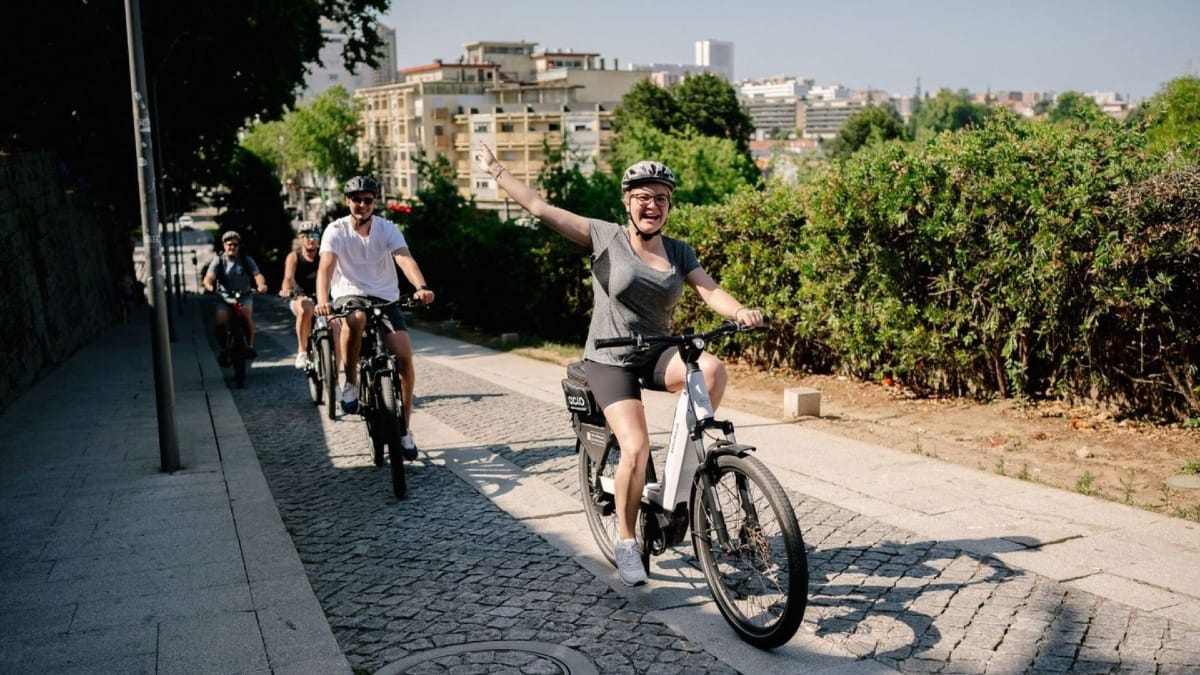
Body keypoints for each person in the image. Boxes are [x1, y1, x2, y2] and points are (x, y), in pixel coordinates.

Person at [475, 142, 765, 587]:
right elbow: (538, 207)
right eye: (643, 197)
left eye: (661, 199)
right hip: (610, 358)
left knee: (712, 369)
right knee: (635, 447)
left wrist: (740, 311)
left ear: (669, 206)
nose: (652, 205)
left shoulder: (678, 251)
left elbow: (709, 290)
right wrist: (496, 170)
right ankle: (628, 542)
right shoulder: (605, 237)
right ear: (628, 202)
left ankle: (685, 479)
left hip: (656, 351)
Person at [315, 176, 435, 459]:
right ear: (347, 202)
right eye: (356, 199)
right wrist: (322, 301)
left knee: (404, 357)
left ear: (375, 203)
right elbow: (325, 268)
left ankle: (404, 430)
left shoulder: (387, 229)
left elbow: (404, 258)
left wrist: (421, 287)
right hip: (350, 293)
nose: (362, 205)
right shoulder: (336, 230)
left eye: (367, 200)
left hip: (385, 298)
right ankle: (351, 383)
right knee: (355, 318)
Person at [203, 230, 268, 364]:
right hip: (225, 297)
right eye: (229, 244)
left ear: (239, 246)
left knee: (246, 315)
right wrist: (208, 284)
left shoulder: (245, 259)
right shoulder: (219, 260)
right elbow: (209, 276)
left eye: (235, 244)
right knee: (220, 321)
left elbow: (257, 274)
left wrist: (261, 285)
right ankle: (223, 349)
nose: (232, 247)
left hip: (244, 296)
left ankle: (249, 346)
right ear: (224, 245)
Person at [279, 222, 326, 369]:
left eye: (314, 235)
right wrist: (286, 289)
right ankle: (302, 351)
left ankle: (337, 371)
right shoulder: (294, 257)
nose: (310, 239)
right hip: (301, 297)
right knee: (306, 308)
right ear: (301, 238)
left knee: (337, 323)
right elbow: (288, 277)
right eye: (306, 236)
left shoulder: (325, 256)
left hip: (322, 299)